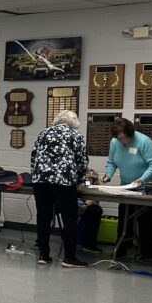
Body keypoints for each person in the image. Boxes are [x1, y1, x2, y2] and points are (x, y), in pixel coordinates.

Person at [30, 110, 89, 267]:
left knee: (43, 217)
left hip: (40, 181)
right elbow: (82, 161)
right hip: (64, 181)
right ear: (73, 122)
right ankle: (69, 257)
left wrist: (37, 176)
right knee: (69, 219)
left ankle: (43, 255)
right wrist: (80, 179)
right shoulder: (75, 135)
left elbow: (34, 156)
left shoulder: (43, 132)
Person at [101, 117, 152, 259]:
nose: (123, 142)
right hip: (127, 188)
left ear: (130, 134)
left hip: (146, 188)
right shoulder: (115, 142)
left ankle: (146, 253)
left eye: (125, 138)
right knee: (124, 220)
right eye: (119, 139)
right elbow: (111, 162)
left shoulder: (144, 141)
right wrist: (108, 175)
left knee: (146, 222)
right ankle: (121, 249)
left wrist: (142, 179)